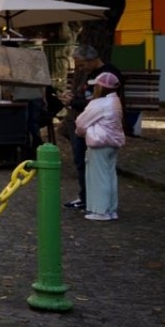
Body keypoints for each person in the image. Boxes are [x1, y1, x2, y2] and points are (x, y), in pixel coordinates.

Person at [61, 45, 122, 211]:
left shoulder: (106, 77)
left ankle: (97, 205)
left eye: (82, 65)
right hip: (96, 129)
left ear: (92, 59)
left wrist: (73, 103)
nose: (81, 69)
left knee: (97, 170)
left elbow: (92, 106)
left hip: (97, 131)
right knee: (93, 168)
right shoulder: (93, 76)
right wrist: (74, 98)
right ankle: (95, 201)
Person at [75, 71, 125, 221]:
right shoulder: (115, 101)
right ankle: (111, 209)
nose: (94, 88)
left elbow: (81, 123)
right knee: (110, 176)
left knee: (98, 177)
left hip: (99, 142)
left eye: (96, 85)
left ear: (101, 87)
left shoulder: (99, 103)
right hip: (113, 142)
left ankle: (100, 210)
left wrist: (81, 133)